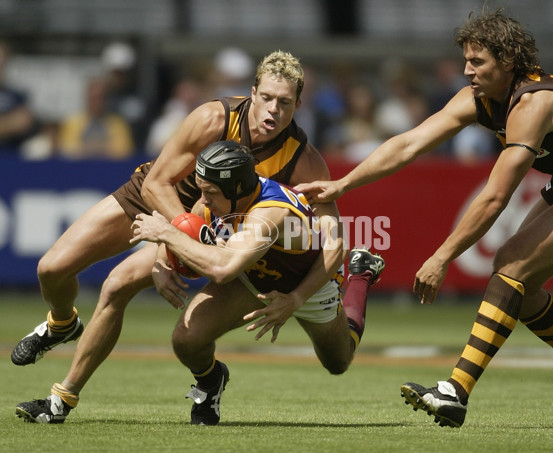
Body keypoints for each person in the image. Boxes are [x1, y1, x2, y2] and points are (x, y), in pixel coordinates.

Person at [13, 50, 385, 423]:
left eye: (285, 103)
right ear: (252, 92)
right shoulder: (213, 118)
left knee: (119, 284)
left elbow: (333, 240)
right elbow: (158, 181)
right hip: (167, 200)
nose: (273, 110)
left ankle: (64, 399)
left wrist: (294, 295)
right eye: (267, 98)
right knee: (52, 268)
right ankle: (62, 325)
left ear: (298, 104)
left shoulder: (302, 161)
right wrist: (169, 246)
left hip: (224, 230)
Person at [296, 9, 553, 428]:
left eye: (477, 62)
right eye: (466, 60)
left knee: (511, 264)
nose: (466, 70)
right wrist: (342, 185)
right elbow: (408, 144)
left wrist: (441, 258)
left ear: (508, 61)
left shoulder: (532, 103)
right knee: (520, 284)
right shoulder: (481, 98)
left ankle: (455, 391)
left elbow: (494, 197)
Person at [122, 141, 380, 424]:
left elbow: (223, 270)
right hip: (253, 276)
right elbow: (189, 220)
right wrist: (162, 257)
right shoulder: (222, 196)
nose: (204, 199)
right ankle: (210, 384)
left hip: (309, 282)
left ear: (238, 190)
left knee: (338, 362)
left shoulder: (270, 214)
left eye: (211, 192)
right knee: (187, 341)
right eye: (202, 189)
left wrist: (295, 299)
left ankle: (361, 275)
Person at [57, 76, 135, 160]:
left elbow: (123, 152)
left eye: (101, 98)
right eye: (94, 98)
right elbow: (68, 151)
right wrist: (102, 148)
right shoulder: (72, 123)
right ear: (87, 98)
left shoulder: (118, 125)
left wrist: (89, 148)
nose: (98, 103)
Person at [0, 41, 38, 153]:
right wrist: (9, 124)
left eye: (2, 63)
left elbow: (25, 123)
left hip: (11, 159)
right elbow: (17, 122)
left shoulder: (17, 96)